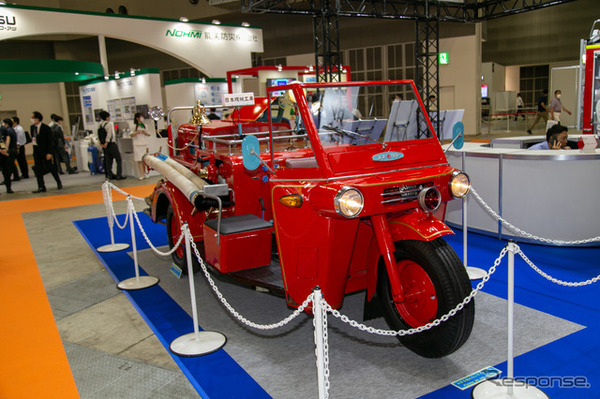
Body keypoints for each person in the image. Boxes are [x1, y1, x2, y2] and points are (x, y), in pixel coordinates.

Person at [31, 111, 62, 193]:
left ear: (37, 119)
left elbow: (49, 141)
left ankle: (58, 181)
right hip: (36, 151)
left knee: (51, 167)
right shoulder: (32, 128)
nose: (32, 119)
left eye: (33, 118)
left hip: (45, 151)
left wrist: (49, 152)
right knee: (38, 170)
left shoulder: (46, 128)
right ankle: (41, 186)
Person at [98, 111, 125, 180]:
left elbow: (98, 135)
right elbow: (109, 135)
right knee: (118, 159)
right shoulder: (108, 125)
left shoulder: (100, 125)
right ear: (107, 117)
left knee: (108, 160)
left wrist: (102, 144)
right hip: (111, 144)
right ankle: (119, 174)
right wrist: (106, 142)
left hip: (104, 145)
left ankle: (109, 174)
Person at [131, 112, 151, 180]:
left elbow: (148, 134)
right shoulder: (133, 126)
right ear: (137, 118)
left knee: (145, 160)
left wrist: (145, 133)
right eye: (140, 117)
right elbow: (131, 135)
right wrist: (136, 132)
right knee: (139, 160)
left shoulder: (145, 125)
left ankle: (145, 173)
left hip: (144, 144)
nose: (142, 118)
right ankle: (141, 174)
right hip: (137, 144)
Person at [0, 119, 18, 194]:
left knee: (6, 171)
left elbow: (7, 138)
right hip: (1, 151)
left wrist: (5, 149)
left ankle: (8, 188)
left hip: (5, 153)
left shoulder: (3, 129)